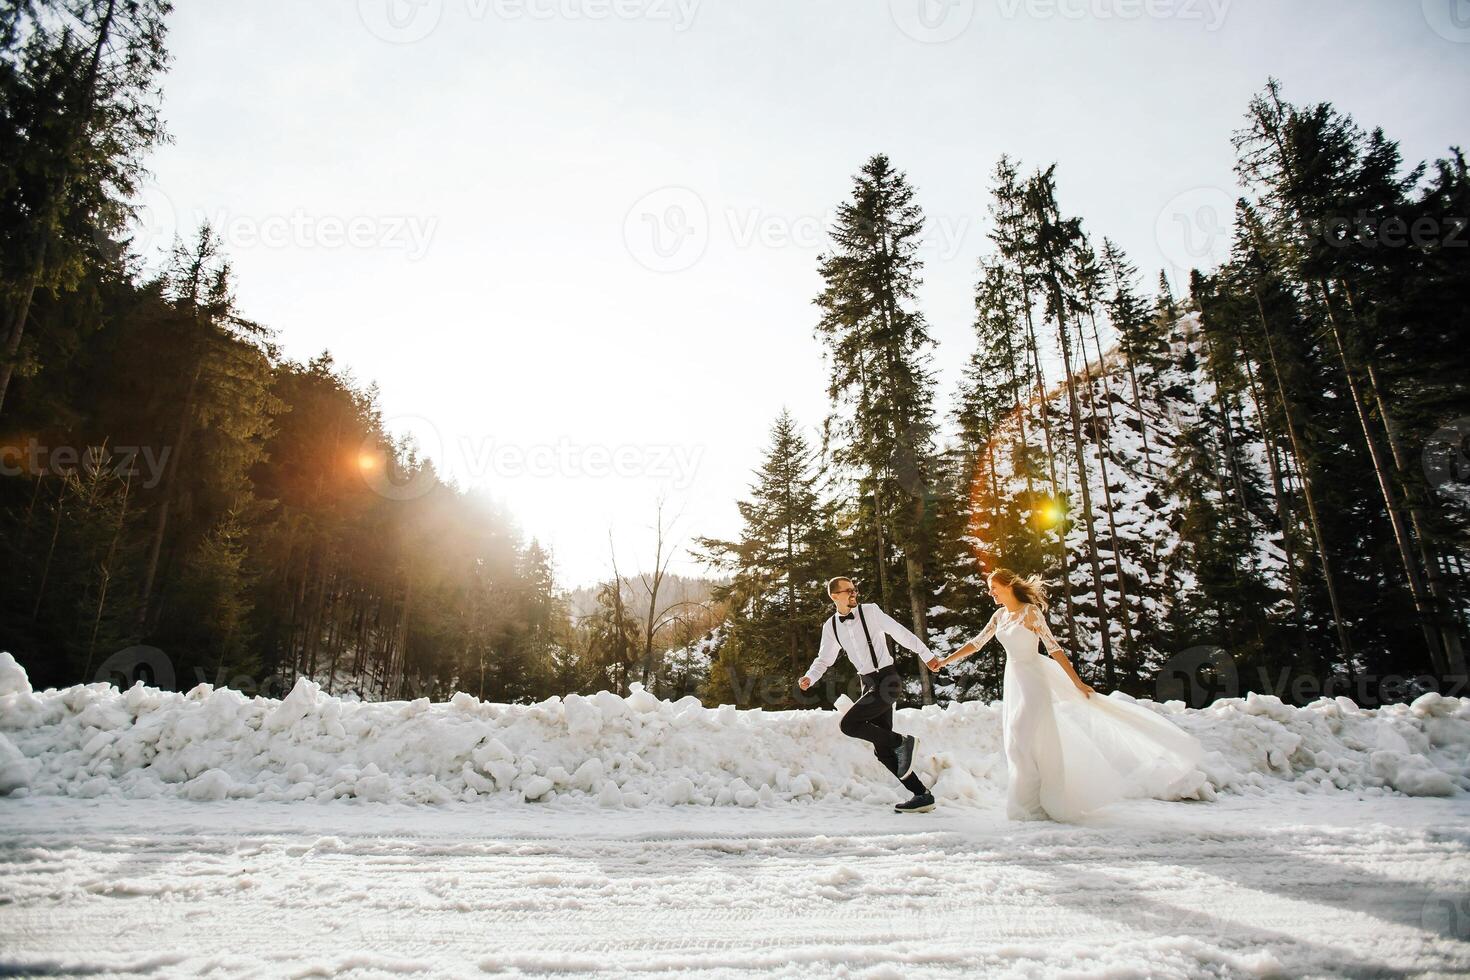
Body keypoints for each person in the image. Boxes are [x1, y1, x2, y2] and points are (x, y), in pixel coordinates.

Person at [938, 568, 1206, 822]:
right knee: (1017, 743)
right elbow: (976, 643)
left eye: (994, 588)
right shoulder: (999, 617)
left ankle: (1043, 802)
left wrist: (1077, 682)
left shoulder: (1030, 613)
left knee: (1021, 735)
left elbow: (1054, 648)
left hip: (1034, 680)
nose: (991, 593)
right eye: (989, 590)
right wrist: (945, 660)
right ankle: (1030, 804)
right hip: (1014, 681)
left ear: (1008, 585)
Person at [799, 576, 942, 813]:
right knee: (881, 750)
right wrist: (810, 677)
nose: (854, 594)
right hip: (868, 683)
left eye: (855, 590)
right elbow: (824, 659)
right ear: (835, 596)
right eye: (848, 591)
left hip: (887, 680)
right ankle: (921, 794)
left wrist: (927, 656)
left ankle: (902, 741)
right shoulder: (831, 626)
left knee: (849, 724)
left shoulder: (871, 611)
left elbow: (901, 633)